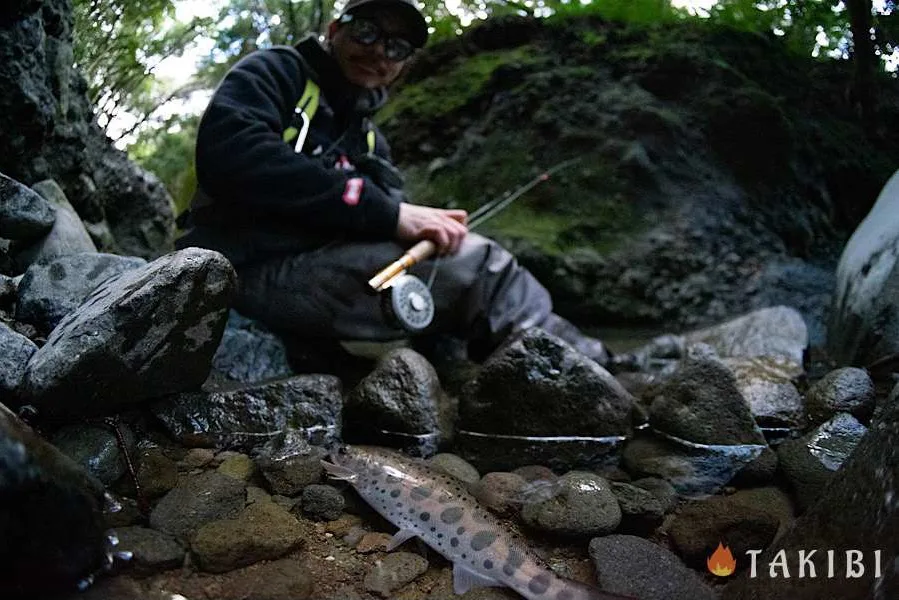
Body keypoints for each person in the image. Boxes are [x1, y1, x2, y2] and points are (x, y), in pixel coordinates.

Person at [175, 0, 611, 365]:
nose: (380, 51)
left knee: (455, 259)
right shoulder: (276, 72)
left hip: (318, 269)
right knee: (483, 268)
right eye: (367, 32)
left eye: (397, 46)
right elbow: (231, 156)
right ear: (335, 29)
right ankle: (582, 368)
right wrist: (388, 212)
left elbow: (381, 219)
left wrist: (420, 227)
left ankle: (541, 363)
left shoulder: (369, 139)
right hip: (237, 270)